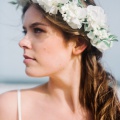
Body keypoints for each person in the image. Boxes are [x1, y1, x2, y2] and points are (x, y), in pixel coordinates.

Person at [0, 0, 120, 119]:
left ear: (78, 43)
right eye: (25, 31)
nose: (22, 42)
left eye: (38, 30)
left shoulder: (111, 110)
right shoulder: (11, 108)